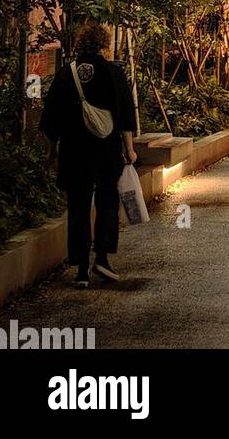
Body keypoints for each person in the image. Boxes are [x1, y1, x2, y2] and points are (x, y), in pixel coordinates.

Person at [39, 23, 138, 287]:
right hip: (105, 149)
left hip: (74, 150)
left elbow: (51, 117)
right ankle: (102, 258)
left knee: (78, 205)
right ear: (104, 45)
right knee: (107, 200)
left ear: (81, 44)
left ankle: (81, 268)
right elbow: (125, 114)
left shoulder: (65, 74)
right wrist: (129, 148)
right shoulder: (113, 72)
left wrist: (52, 152)